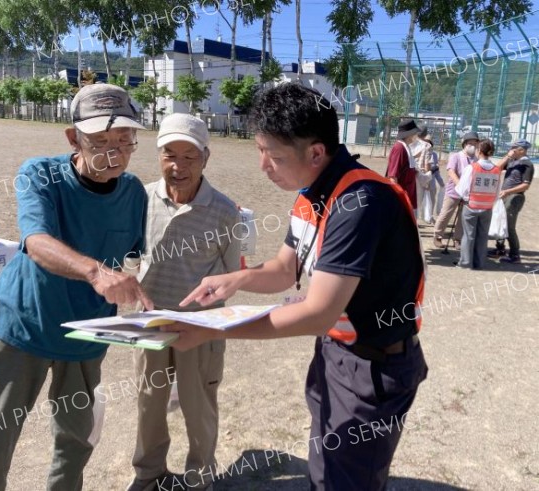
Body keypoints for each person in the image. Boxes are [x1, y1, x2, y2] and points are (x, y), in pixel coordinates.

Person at [163, 84, 428, 491]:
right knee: (324, 469)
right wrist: (236, 278)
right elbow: (285, 269)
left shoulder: (360, 201)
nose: (264, 165)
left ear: (317, 153)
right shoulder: (313, 192)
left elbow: (317, 311)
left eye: (275, 156)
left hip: (373, 367)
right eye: (259, 149)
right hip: (335, 353)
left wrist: (211, 329)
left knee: (346, 480)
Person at [0, 83, 153, 491]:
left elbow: (140, 253)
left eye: (124, 139)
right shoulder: (39, 174)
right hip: (20, 329)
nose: (114, 151)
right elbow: (37, 242)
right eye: (100, 140)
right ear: (73, 138)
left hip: (85, 338)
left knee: (75, 443)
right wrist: (98, 273)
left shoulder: (133, 192)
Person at [126, 114, 242, 491]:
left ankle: (200, 478)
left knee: (199, 405)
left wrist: (212, 304)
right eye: (169, 154)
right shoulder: (139, 198)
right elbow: (128, 255)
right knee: (149, 402)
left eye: (190, 157)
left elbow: (229, 276)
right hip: (150, 321)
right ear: (158, 156)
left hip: (201, 326)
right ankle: (148, 473)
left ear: (206, 158)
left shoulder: (225, 210)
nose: (178, 166)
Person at [455, 139, 500, 269]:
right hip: (487, 207)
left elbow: (462, 189)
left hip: (471, 206)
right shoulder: (496, 170)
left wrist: (464, 198)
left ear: (479, 151)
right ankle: (479, 263)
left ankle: (465, 263)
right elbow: (497, 192)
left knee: (468, 236)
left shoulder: (472, 168)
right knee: (482, 236)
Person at [488, 139, 534, 264]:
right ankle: (500, 249)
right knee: (500, 221)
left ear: (521, 150)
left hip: (515, 197)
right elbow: (497, 168)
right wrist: (508, 156)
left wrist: (508, 192)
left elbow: (525, 185)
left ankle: (515, 254)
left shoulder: (527, 165)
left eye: (514, 148)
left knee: (509, 225)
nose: (511, 150)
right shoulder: (513, 161)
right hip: (505, 195)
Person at [433, 131, 480, 249]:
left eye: (475, 143)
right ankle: (438, 235)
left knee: (463, 217)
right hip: (454, 191)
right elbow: (451, 171)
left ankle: (457, 239)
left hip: (468, 194)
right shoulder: (456, 156)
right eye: (470, 143)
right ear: (464, 144)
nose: (472, 146)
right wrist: (460, 185)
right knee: (446, 213)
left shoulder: (476, 159)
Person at [385, 118, 420, 211]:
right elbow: (392, 177)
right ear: (409, 135)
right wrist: (396, 200)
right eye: (415, 133)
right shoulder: (399, 148)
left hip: (407, 197)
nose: (416, 136)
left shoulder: (405, 147)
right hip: (401, 200)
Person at [410, 125, 433, 216]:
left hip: (409, 174)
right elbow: (427, 164)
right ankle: (413, 223)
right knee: (416, 202)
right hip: (420, 176)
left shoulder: (409, 143)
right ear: (425, 134)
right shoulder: (427, 145)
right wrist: (427, 180)